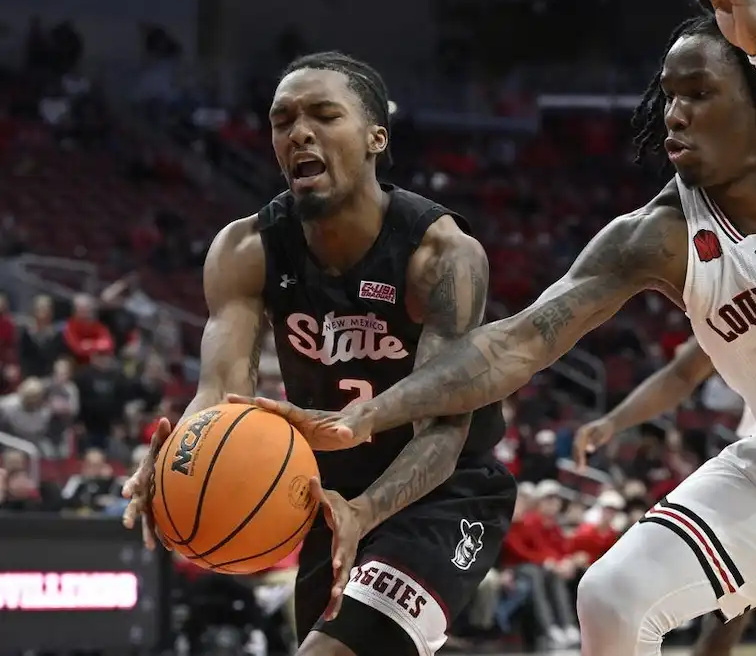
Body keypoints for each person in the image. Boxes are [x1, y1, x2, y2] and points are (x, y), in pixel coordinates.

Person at [238, 0, 756, 656]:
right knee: (613, 594)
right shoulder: (655, 236)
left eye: (698, 94)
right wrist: (376, 410)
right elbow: (515, 344)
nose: (673, 114)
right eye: (667, 96)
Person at [121, 51, 516, 656]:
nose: (299, 131)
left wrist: (367, 511)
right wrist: (178, 461)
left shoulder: (440, 255)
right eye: (283, 120)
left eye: (324, 115)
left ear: (375, 137)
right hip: (323, 493)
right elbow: (219, 395)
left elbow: (443, 429)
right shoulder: (246, 247)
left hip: (443, 489)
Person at [573, 336, 756, 656]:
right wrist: (614, 420)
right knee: (737, 613)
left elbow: (684, 371)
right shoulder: (751, 307)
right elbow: (683, 371)